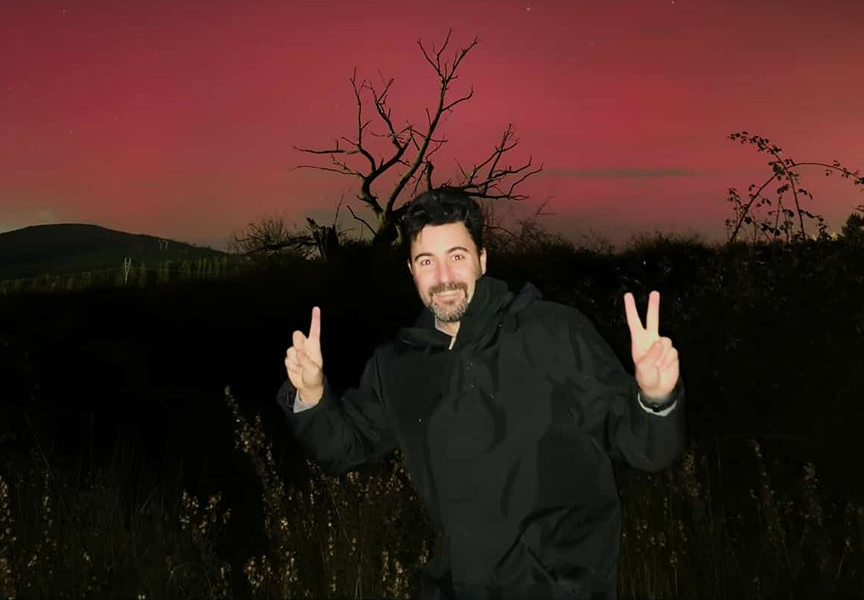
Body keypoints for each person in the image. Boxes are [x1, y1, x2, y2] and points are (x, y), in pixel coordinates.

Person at [278, 187, 685, 600]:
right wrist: (311, 395)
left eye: (457, 256)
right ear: (412, 270)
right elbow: (344, 447)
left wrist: (656, 398)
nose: (444, 278)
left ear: (482, 260)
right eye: (427, 261)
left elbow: (644, 449)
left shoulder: (552, 332)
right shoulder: (398, 365)